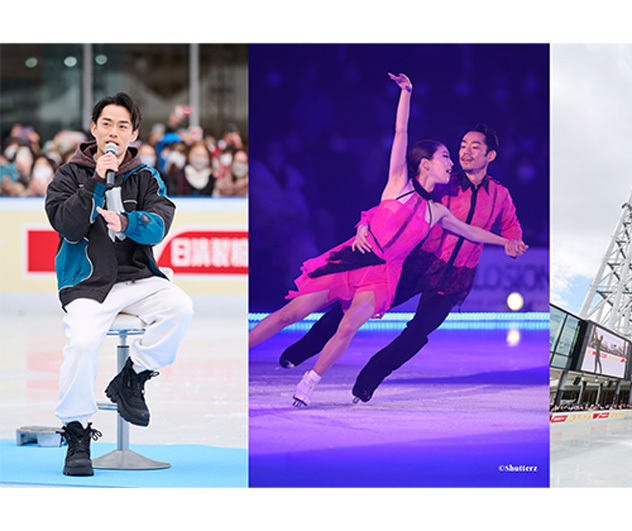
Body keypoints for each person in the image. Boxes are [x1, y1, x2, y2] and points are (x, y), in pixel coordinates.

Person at [248, 73, 527, 408]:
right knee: (314, 312)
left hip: (433, 274)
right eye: (456, 150)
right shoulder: (423, 182)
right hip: (398, 261)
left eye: (472, 148)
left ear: (490, 155)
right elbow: (394, 161)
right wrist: (406, 93)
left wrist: (508, 241)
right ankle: (292, 350)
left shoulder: (477, 200)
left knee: (394, 329)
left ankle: (345, 381)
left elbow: (486, 230)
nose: (461, 155)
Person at [45, 92, 194, 476]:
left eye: (123, 126)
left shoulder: (146, 176)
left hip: (136, 279)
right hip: (88, 283)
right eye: (107, 124)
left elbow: (160, 223)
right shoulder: (69, 174)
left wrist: (128, 223)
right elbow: (68, 226)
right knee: (80, 344)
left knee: (180, 308)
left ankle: (133, 377)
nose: (114, 132)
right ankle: (77, 433)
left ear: (134, 134)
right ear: (94, 129)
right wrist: (96, 180)